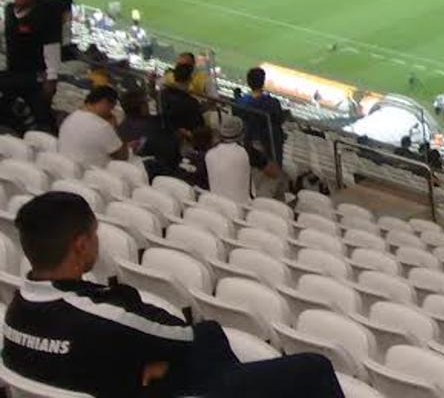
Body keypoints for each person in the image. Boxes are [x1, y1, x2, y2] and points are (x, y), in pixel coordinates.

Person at [1, 191, 342, 396]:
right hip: (164, 390)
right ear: (80, 245)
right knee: (314, 367)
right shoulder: (101, 315)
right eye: (94, 234)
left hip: (103, 376)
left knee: (209, 332)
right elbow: (178, 334)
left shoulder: (16, 311)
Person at [3, 0, 70, 131]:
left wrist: (51, 78)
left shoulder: (44, 17)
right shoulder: (9, 10)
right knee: (13, 106)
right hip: (15, 70)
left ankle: (49, 136)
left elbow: (52, 48)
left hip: (37, 74)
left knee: (41, 111)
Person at [57, 85, 127, 169]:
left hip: (65, 170)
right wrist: (114, 128)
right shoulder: (102, 126)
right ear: (105, 102)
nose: (110, 112)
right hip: (91, 175)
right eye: (111, 108)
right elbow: (123, 156)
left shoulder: (71, 117)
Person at [232, 67, 288, 168]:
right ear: (263, 82)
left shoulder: (240, 102)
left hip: (248, 141)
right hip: (268, 144)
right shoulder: (272, 103)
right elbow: (279, 119)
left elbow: (236, 113)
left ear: (249, 82)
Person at [204, 116, 254, 205]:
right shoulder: (243, 152)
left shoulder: (209, 154)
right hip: (241, 208)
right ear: (242, 134)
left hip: (216, 205)